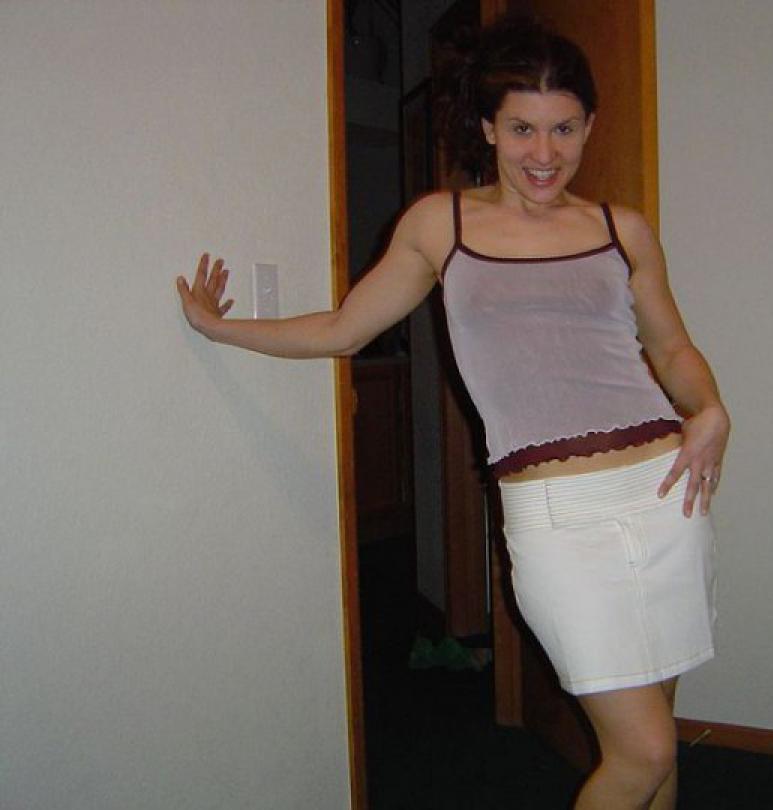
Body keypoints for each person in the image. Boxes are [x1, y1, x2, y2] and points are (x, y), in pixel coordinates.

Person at [177, 16, 730, 810]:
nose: (545, 153)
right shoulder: (443, 225)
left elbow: (672, 349)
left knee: (656, 742)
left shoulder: (622, 230)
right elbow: (344, 330)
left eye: (564, 128)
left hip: (665, 494)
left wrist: (710, 408)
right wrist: (220, 329)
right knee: (644, 751)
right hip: (554, 513)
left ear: (589, 126)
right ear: (489, 128)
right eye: (523, 129)